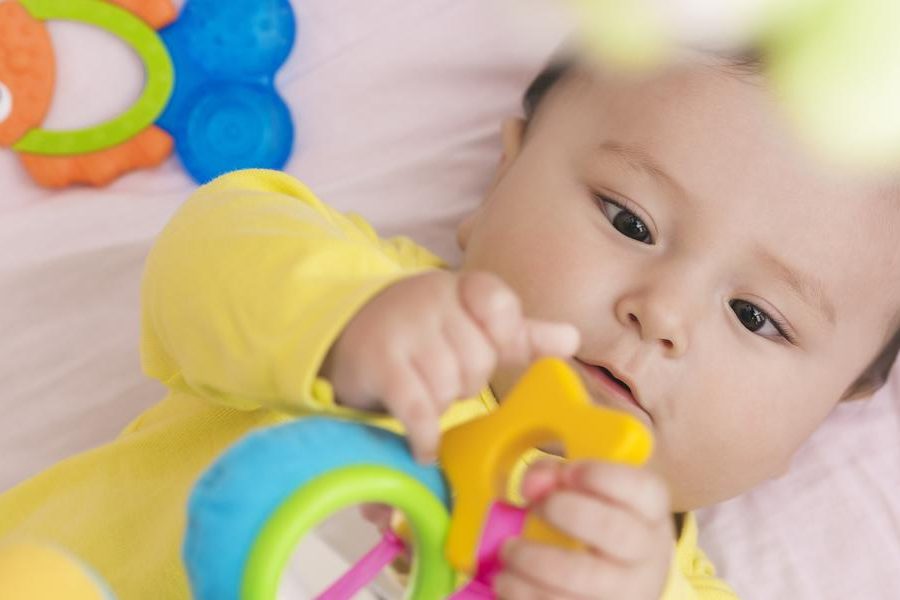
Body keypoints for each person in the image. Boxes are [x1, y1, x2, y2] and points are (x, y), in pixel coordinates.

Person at [1, 48, 898, 599]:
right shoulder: (365, 298)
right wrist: (349, 323)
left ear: (840, 399)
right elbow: (209, 258)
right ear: (501, 176)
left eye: (757, 317)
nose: (660, 313)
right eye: (628, 220)